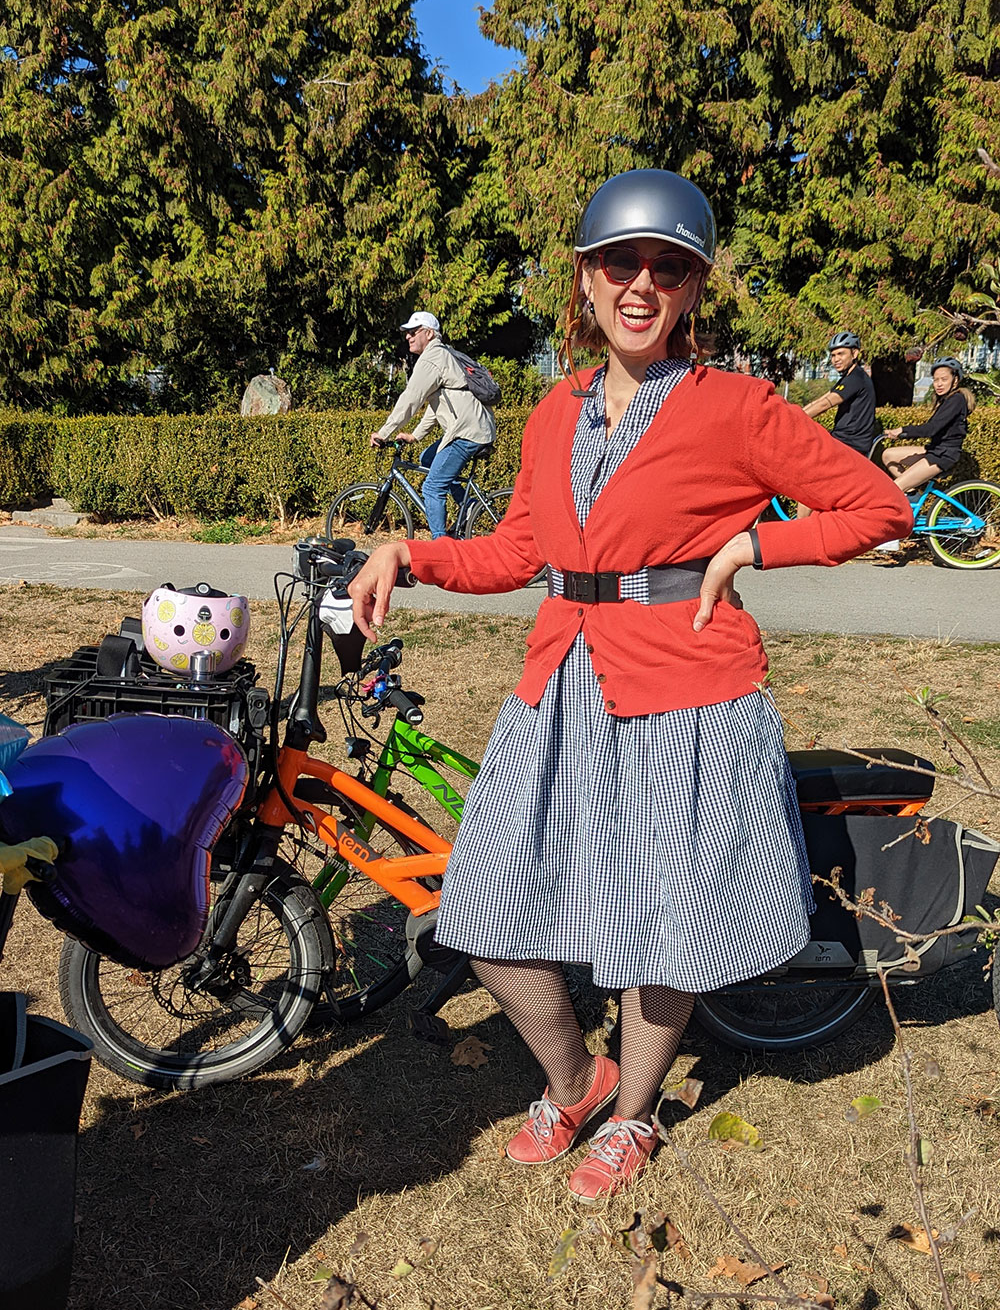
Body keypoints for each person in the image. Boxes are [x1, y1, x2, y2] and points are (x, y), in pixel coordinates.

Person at [349, 170, 912, 1202]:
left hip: (691, 689)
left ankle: (633, 1112)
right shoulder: (552, 415)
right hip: (560, 680)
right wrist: (411, 553)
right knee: (480, 902)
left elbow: (879, 508)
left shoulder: (738, 405)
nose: (640, 282)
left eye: (668, 265)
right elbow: (520, 549)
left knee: (669, 915)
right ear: (587, 278)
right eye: (620, 262)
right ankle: (576, 1076)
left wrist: (754, 542)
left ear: (693, 287)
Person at [371, 311, 496, 538]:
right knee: (427, 459)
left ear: (428, 334)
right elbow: (435, 405)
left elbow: (411, 399)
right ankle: (467, 505)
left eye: (413, 332)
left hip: (467, 432)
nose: (408, 337)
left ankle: (441, 545)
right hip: (474, 427)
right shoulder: (441, 355)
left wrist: (384, 432)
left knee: (432, 487)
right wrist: (416, 436)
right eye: (406, 333)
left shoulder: (432, 358)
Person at [796, 332, 877, 517]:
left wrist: (795, 418)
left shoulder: (857, 377)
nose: (835, 359)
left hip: (850, 445)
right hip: (841, 440)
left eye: (841, 354)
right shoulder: (849, 378)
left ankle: (799, 530)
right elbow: (823, 398)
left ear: (854, 354)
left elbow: (827, 403)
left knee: (808, 483)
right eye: (833, 355)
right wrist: (796, 412)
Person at [881, 357, 975, 493]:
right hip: (934, 449)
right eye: (936, 380)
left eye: (944, 379)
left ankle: (904, 495)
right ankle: (912, 493)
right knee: (888, 455)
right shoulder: (945, 400)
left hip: (943, 455)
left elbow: (931, 429)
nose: (939, 384)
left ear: (955, 380)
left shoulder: (956, 400)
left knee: (895, 489)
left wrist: (902, 431)